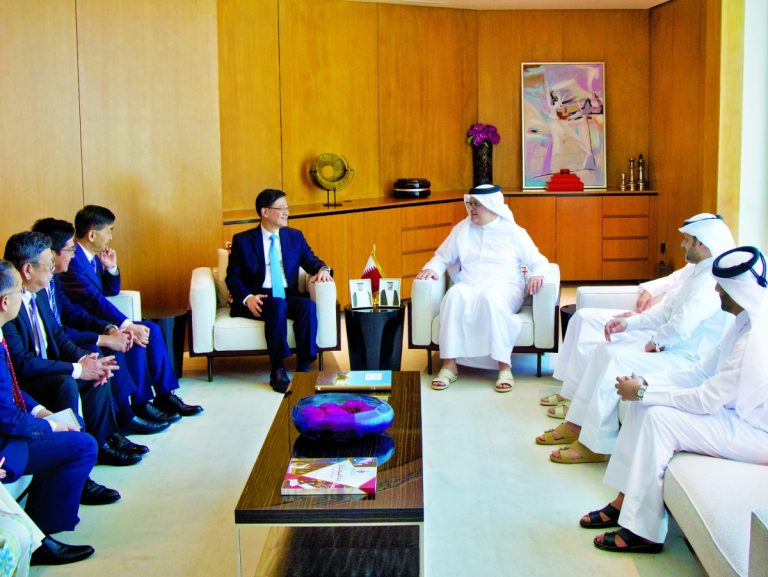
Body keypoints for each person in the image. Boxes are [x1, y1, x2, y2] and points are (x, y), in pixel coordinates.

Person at [580, 246, 768, 553]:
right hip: (735, 415)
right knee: (644, 406)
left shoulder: (755, 337)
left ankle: (645, 531)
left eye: (722, 286)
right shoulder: (743, 322)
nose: (716, 290)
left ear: (739, 290)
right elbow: (700, 372)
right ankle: (623, 501)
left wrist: (643, 392)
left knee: (659, 418)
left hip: (757, 434)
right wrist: (645, 384)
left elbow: (706, 400)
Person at [536, 214, 736, 463]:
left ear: (703, 244)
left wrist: (656, 341)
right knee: (604, 351)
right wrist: (628, 324)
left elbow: (682, 324)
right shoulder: (696, 272)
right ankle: (576, 424)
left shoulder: (711, 281)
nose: (682, 245)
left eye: (687, 240)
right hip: (672, 348)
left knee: (617, 361)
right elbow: (665, 311)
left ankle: (595, 446)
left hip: (689, 358)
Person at [3, 232, 142, 467]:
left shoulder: (38, 294)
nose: (53, 270)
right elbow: (22, 363)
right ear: (28, 270)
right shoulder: (8, 306)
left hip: (47, 365)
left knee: (96, 368)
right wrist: (77, 369)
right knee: (65, 382)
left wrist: (86, 360)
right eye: (49, 265)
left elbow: (57, 335)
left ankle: (102, 442)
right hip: (27, 378)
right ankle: (74, 456)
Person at [0, 259, 103, 566]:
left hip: (10, 430)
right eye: (19, 291)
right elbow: (7, 415)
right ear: (5, 302)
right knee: (81, 445)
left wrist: (41, 411)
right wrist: (50, 427)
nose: (23, 296)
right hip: (7, 439)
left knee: (75, 433)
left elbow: (10, 390)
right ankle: (40, 540)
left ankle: (39, 535)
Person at [60, 205, 202, 420]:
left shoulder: (91, 257)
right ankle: (140, 403)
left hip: (100, 322)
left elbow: (109, 291)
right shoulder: (73, 262)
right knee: (133, 336)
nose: (110, 237)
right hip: (85, 325)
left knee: (152, 330)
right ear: (92, 234)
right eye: (109, 230)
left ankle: (165, 394)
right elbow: (94, 300)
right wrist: (126, 324)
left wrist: (111, 269)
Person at [31, 218, 167, 436]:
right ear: (52, 253)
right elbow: (90, 304)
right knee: (101, 353)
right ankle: (124, 417)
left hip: (78, 330)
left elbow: (75, 309)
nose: (73, 253)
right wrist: (107, 335)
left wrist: (109, 328)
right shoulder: (54, 277)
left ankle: (148, 402)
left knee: (141, 333)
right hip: (66, 339)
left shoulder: (56, 278)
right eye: (70, 249)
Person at [415, 184, 549, 393]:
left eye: (476, 204)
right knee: (454, 295)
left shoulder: (514, 232)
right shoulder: (462, 229)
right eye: (470, 203)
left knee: (491, 298)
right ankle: (449, 366)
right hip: (469, 285)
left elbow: (538, 261)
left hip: (505, 288)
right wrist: (432, 268)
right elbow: (442, 256)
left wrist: (538, 274)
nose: (471, 208)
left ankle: (504, 367)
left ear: (491, 205)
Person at [543, 264, 692, 412]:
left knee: (599, 339)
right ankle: (568, 390)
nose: (683, 249)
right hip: (650, 317)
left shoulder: (704, 278)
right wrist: (649, 291)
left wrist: (645, 326)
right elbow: (675, 279)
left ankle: (574, 401)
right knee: (582, 317)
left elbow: (679, 323)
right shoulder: (695, 266)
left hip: (659, 330)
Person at [226, 189, 333, 392]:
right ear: (265, 212)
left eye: (287, 208)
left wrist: (324, 270)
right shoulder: (243, 240)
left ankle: (304, 367)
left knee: (307, 307)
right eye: (281, 208)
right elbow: (233, 277)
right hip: (259, 297)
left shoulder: (294, 236)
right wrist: (247, 297)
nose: (287, 212)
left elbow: (311, 261)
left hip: (286, 294)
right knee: (277, 305)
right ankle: (277, 368)